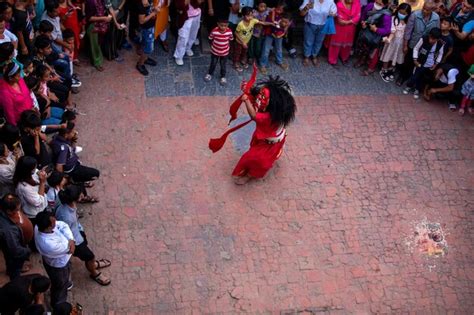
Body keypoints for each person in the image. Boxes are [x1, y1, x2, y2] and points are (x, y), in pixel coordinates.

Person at [232, 76, 297, 184]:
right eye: (261, 94)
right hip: (261, 138)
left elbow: (253, 115)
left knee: (258, 161)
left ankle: (249, 175)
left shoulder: (269, 116)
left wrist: (246, 100)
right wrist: (247, 89)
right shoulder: (272, 107)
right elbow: (255, 95)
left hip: (268, 144)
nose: (260, 97)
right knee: (256, 154)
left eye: (263, 96)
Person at [56, 185, 112, 285]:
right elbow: (65, 234)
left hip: (78, 232)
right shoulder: (66, 216)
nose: (82, 195)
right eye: (80, 194)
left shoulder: (68, 205)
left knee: (87, 251)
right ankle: (94, 272)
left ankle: (92, 264)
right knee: (89, 256)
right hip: (75, 242)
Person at [34, 210, 74, 307]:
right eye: (53, 223)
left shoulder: (38, 226)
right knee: (59, 285)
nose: (56, 222)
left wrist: (71, 239)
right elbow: (69, 248)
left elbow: (64, 225)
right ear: (48, 227)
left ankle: (65, 284)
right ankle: (58, 305)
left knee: (63, 278)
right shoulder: (48, 244)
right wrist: (71, 242)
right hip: (58, 265)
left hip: (60, 261)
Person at [400, 0, 440, 85]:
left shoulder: (436, 18)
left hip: (425, 46)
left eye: (427, 10)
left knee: (419, 63)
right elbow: (408, 31)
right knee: (408, 61)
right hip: (414, 42)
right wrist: (405, 45)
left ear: (432, 10)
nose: (424, 11)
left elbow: (436, 32)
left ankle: (412, 80)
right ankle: (402, 77)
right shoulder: (415, 15)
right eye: (424, 8)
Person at [403, 27, 444, 99]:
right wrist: (415, 59)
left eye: (433, 39)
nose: (431, 40)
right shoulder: (424, 39)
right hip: (420, 62)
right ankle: (408, 86)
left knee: (422, 78)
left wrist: (436, 64)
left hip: (430, 65)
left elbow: (440, 54)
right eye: (430, 37)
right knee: (415, 76)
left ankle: (417, 89)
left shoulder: (440, 44)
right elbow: (416, 48)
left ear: (438, 39)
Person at [354, 0, 392, 75]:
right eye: (376, 2)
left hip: (377, 37)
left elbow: (387, 30)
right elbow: (363, 15)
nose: (377, 5)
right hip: (367, 32)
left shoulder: (386, 15)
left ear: (385, 5)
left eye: (379, 4)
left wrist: (376, 29)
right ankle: (362, 60)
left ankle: (371, 68)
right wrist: (363, 22)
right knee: (364, 48)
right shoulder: (370, 6)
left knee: (374, 54)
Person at [0, 194, 32, 280]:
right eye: (17, 210)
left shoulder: (3, 208)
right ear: (9, 211)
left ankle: (10, 270)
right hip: (13, 250)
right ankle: (14, 281)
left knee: (9, 259)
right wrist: (27, 251)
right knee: (15, 269)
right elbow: (15, 250)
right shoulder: (8, 230)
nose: (19, 211)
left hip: (7, 246)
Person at [379, 3, 412, 82]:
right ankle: (384, 70)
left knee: (395, 56)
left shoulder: (408, 22)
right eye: (400, 12)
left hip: (400, 44)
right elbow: (392, 31)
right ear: (397, 10)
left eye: (404, 13)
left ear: (408, 14)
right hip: (392, 42)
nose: (402, 14)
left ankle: (391, 69)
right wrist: (389, 39)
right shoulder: (394, 19)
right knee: (388, 55)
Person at [234, 6, 272, 72]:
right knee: (238, 53)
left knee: (244, 52)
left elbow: (263, 23)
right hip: (240, 42)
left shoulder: (253, 20)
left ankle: (242, 61)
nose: (250, 17)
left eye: (251, 15)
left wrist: (271, 23)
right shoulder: (240, 24)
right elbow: (236, 33)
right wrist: (242, 42)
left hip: (247, 41)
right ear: (243, 15)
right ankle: (236, 63)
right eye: (248, 15)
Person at [300, 0, 337, 67]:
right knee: (308, 41)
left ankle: (314, 56)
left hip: (323, 25)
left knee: (319, 42)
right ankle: (306, 56)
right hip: (310, 24)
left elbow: (335, 13)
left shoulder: (330, 1)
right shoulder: (309, 0)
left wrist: (332, 14)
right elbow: (301, 14)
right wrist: (306, 7)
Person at [14, 156, 48, 224]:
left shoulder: (31, 173)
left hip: (42, 208)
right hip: (35, 214)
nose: (36, 169)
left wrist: (40, 172)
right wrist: (42, 182)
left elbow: (36, 172)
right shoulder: (24, 187)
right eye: (34, 167)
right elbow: (38, 201)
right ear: (28, 170)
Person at [328, 0, 361, 67]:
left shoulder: (357, 3)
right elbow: (340, 20)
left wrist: (348, 22)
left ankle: (344, 58)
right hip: (340, 27)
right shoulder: (339, 4)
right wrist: (351, 21)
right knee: (336, 43)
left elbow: (358, 16)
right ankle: (332, 60)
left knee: (347, 44)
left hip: (350, 28)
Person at [173, 0, 203, 66]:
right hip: (186, 18)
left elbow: (200, 2)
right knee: (183, 37)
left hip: (196, 15)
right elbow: (179, 6)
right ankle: (179, 56)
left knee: (193, 35)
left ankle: (188, 48)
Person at [85, 0, 112, 71]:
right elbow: (90, 18)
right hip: (93, 26)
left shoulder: (101, 1)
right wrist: (104, 18)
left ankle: (99, 58)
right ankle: (96, 62)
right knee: (95, 45)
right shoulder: (90, 2)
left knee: (99, 43)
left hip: (101, 25)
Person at [204, 18, 233, 85]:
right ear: (218, 24)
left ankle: (223, 76)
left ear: (227, 25)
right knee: (213, 63)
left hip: (225, 52)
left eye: (225, 26)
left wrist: (228, 48)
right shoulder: (214, 31)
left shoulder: (229, 31)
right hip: (215, 51)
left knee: (223, 65)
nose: (223, 27)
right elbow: (210, 39)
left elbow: (231, 39)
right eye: (221, 25)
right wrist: (213, 46)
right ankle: (210, 74)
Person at [136, 0, 158, 75]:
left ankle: (145, 59)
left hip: (150, 27)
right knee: (149, 48)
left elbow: (148, 8)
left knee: (145, 45)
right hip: (147, 29)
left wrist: (153, 9)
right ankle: (140, 64)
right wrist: (153, 13)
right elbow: (141, 21)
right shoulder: (141, 4)